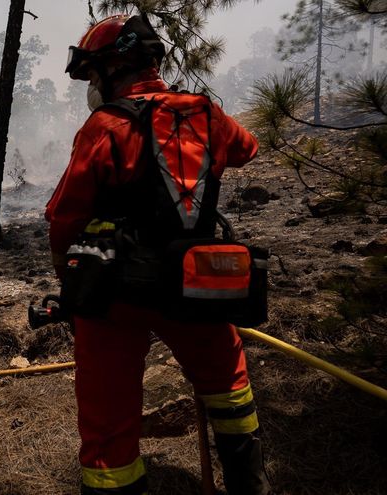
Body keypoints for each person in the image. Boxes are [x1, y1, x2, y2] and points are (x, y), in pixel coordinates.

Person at [46, 14, 270, 495]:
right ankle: (250, 483)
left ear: (113, 67)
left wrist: (72, 287)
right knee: (228, 387)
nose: (90, 86)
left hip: (117, 292)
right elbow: (245, 148)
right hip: (195, 281)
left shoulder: (104, 126)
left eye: (91, 75)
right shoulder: (205, 114)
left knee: (108, 419)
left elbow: (66, 218)